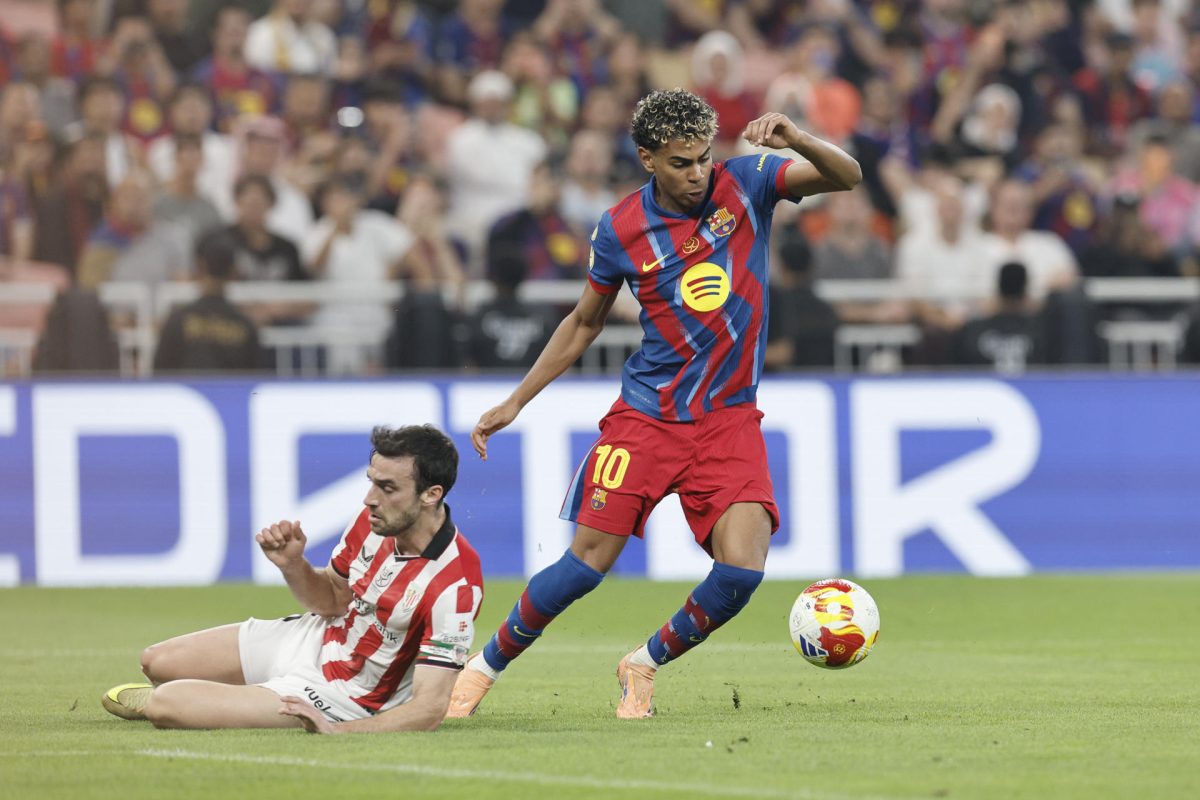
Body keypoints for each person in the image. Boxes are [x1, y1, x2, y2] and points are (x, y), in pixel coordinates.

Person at [447, 88, 860, 720]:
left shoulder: (748, 182)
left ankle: (643, 663)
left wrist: (798, 139)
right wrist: (516, 400)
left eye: (702, 158)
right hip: (648, 416)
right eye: (680, 162)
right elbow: (584, 323)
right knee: (586, 566)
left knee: (742, 572)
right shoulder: (619, 229)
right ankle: (480, 671)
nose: (697, 173)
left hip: (729, 418)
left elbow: (847, 176)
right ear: (647, 158)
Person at [100, 424, 483, 733]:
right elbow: (332, 599)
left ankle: (231, 700)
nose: (370, 498)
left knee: (168, 703)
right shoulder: (373, 523)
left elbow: (430, 710)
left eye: (387, 488)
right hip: (318, 637)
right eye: (371, 481)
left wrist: (340, 732)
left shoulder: (455, 584)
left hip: (345, 695)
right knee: (157, 662)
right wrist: (293, 565)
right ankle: (242, 699)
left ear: (431, 494)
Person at [153, 230, 265, 374]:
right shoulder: (245, 325)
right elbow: (254, 378)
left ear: (199, 267)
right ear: (234, 272)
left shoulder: (177, 321)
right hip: (231, 396)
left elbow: (159, 374)